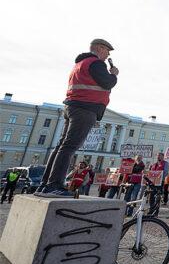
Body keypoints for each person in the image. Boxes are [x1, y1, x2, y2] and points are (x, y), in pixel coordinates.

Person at [37, 39, 118, 197]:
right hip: (85, 109)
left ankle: (45, 184)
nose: (108, 54)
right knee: (69, 147)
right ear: (100, 49)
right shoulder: (96, 63)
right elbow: (107, 83)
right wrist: (113, 75)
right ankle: (54, 185)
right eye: (107, 51)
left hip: (72, 107)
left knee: (62, 146)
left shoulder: (80, 64)